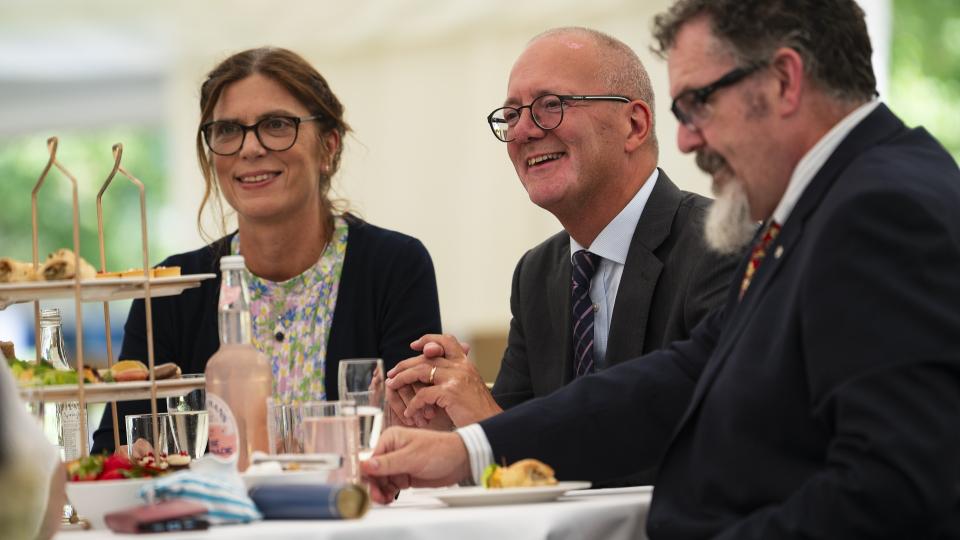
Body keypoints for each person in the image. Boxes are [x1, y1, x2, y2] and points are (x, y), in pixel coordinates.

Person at [361, 1, 960, 537]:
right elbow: (681, 378)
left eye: (699, 103)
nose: (689, 139)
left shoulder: (881, 209)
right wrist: (470, 448)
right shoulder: (837, 201)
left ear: (783, 80)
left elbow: (896, 488)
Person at [386, 28, 737, 448]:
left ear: (634, 124)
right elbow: (512, 436)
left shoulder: (720, 245)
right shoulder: (537, 273)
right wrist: (458, 430)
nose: (523, 132)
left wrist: (492, 431)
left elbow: (703, 446)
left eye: (551, 105)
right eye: (511, 114)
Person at [92, 47, 442, 453]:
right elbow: (114, 450)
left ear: (328, 146)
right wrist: (134, 456)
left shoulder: (394, 267)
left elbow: (418, 437)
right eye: (226, 130)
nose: (250, 148)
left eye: (276, 125)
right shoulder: (171, 291)